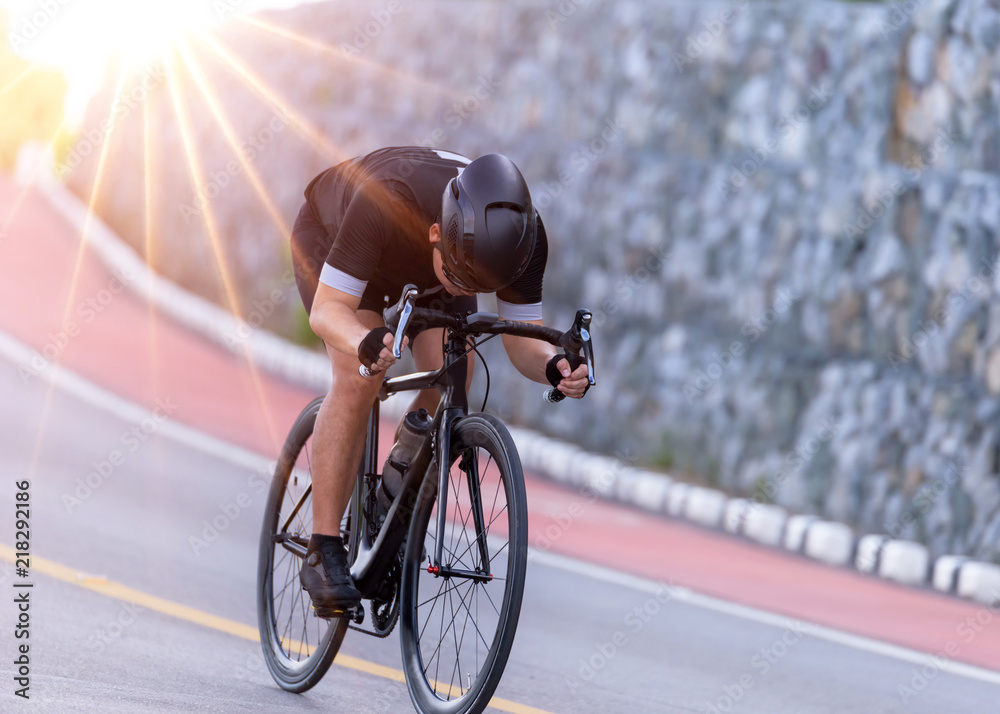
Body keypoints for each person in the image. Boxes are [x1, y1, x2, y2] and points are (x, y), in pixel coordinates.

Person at [289, 146, 590, 614]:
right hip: (341, 239)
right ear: (436, 232)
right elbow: (328, 312)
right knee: (359, 375)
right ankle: (322, 548)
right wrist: (364, 341)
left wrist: (555, 366)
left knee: (456, 371)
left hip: (430, 259)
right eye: (456, 278)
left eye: (475, 287)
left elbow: (522, 341)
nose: (462, 292)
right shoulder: (384, 201)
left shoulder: (519, 238)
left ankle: (391, 496)